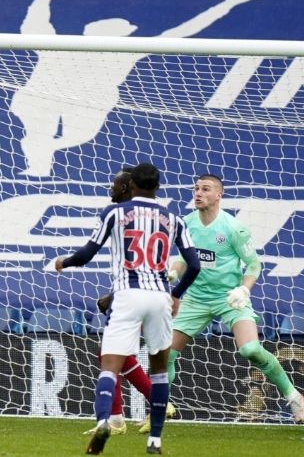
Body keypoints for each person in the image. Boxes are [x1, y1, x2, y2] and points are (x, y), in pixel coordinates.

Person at [12, 0, 260, 176]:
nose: (130, 33)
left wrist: (225, 6)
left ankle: (46, 151)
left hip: (91, 101)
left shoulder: (127, 51)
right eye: (126, 31)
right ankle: (38, 169)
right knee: (38, 132)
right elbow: (35, 28)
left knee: (75, 137)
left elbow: (182, 32)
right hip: (43, 95)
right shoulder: (62, 47)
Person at [55, 163, 201, 455]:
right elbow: (195, 265)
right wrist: (177, 295)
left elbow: (86, 254)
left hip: (127, 294)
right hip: (160, 296)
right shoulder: (174, 219)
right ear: (158, 187)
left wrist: (64, 262)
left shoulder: (114, 213)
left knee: (110, 365)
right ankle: (155, 441)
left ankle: (104, 422)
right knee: (159, 370)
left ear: (131, 184)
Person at [167, 174, 304, 424]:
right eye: (196, 188)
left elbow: (254, 265)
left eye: (205, 189)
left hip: (230, 299)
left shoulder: (233, 228)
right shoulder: (185, 224)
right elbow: (184, 258)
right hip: (196, 299)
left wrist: (243, 290)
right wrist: (175, 271)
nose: (198, 193)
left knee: (251, 349)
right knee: (165, 354)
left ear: (219, 195)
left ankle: (295, 397)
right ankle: (159, 409)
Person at [81, 168, 175, 436]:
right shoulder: (139, 219)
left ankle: (129, 412)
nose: (111, 187)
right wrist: (112, 296)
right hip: (142, 296)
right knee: (115, 356)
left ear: (127, 187)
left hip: (142, 298)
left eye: (115, 184)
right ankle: (117, 417)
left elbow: (144, 267)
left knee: (113, 357)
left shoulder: (122, 216)